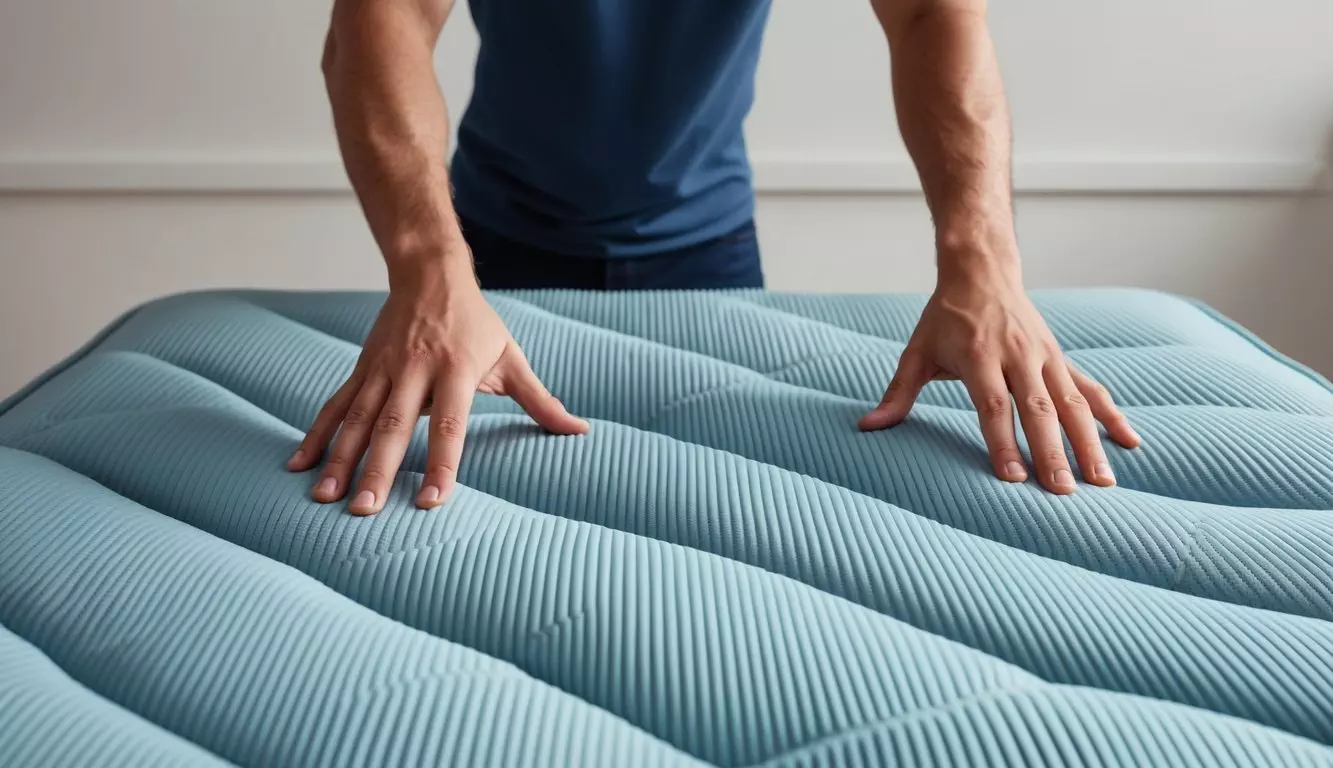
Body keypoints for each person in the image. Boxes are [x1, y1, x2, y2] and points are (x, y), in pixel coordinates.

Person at [288, 0, 1142, 516]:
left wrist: (983, 268)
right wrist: (430, 269)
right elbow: (380, 22)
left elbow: (933, 13)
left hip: (707, 246)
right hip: (484, 259)